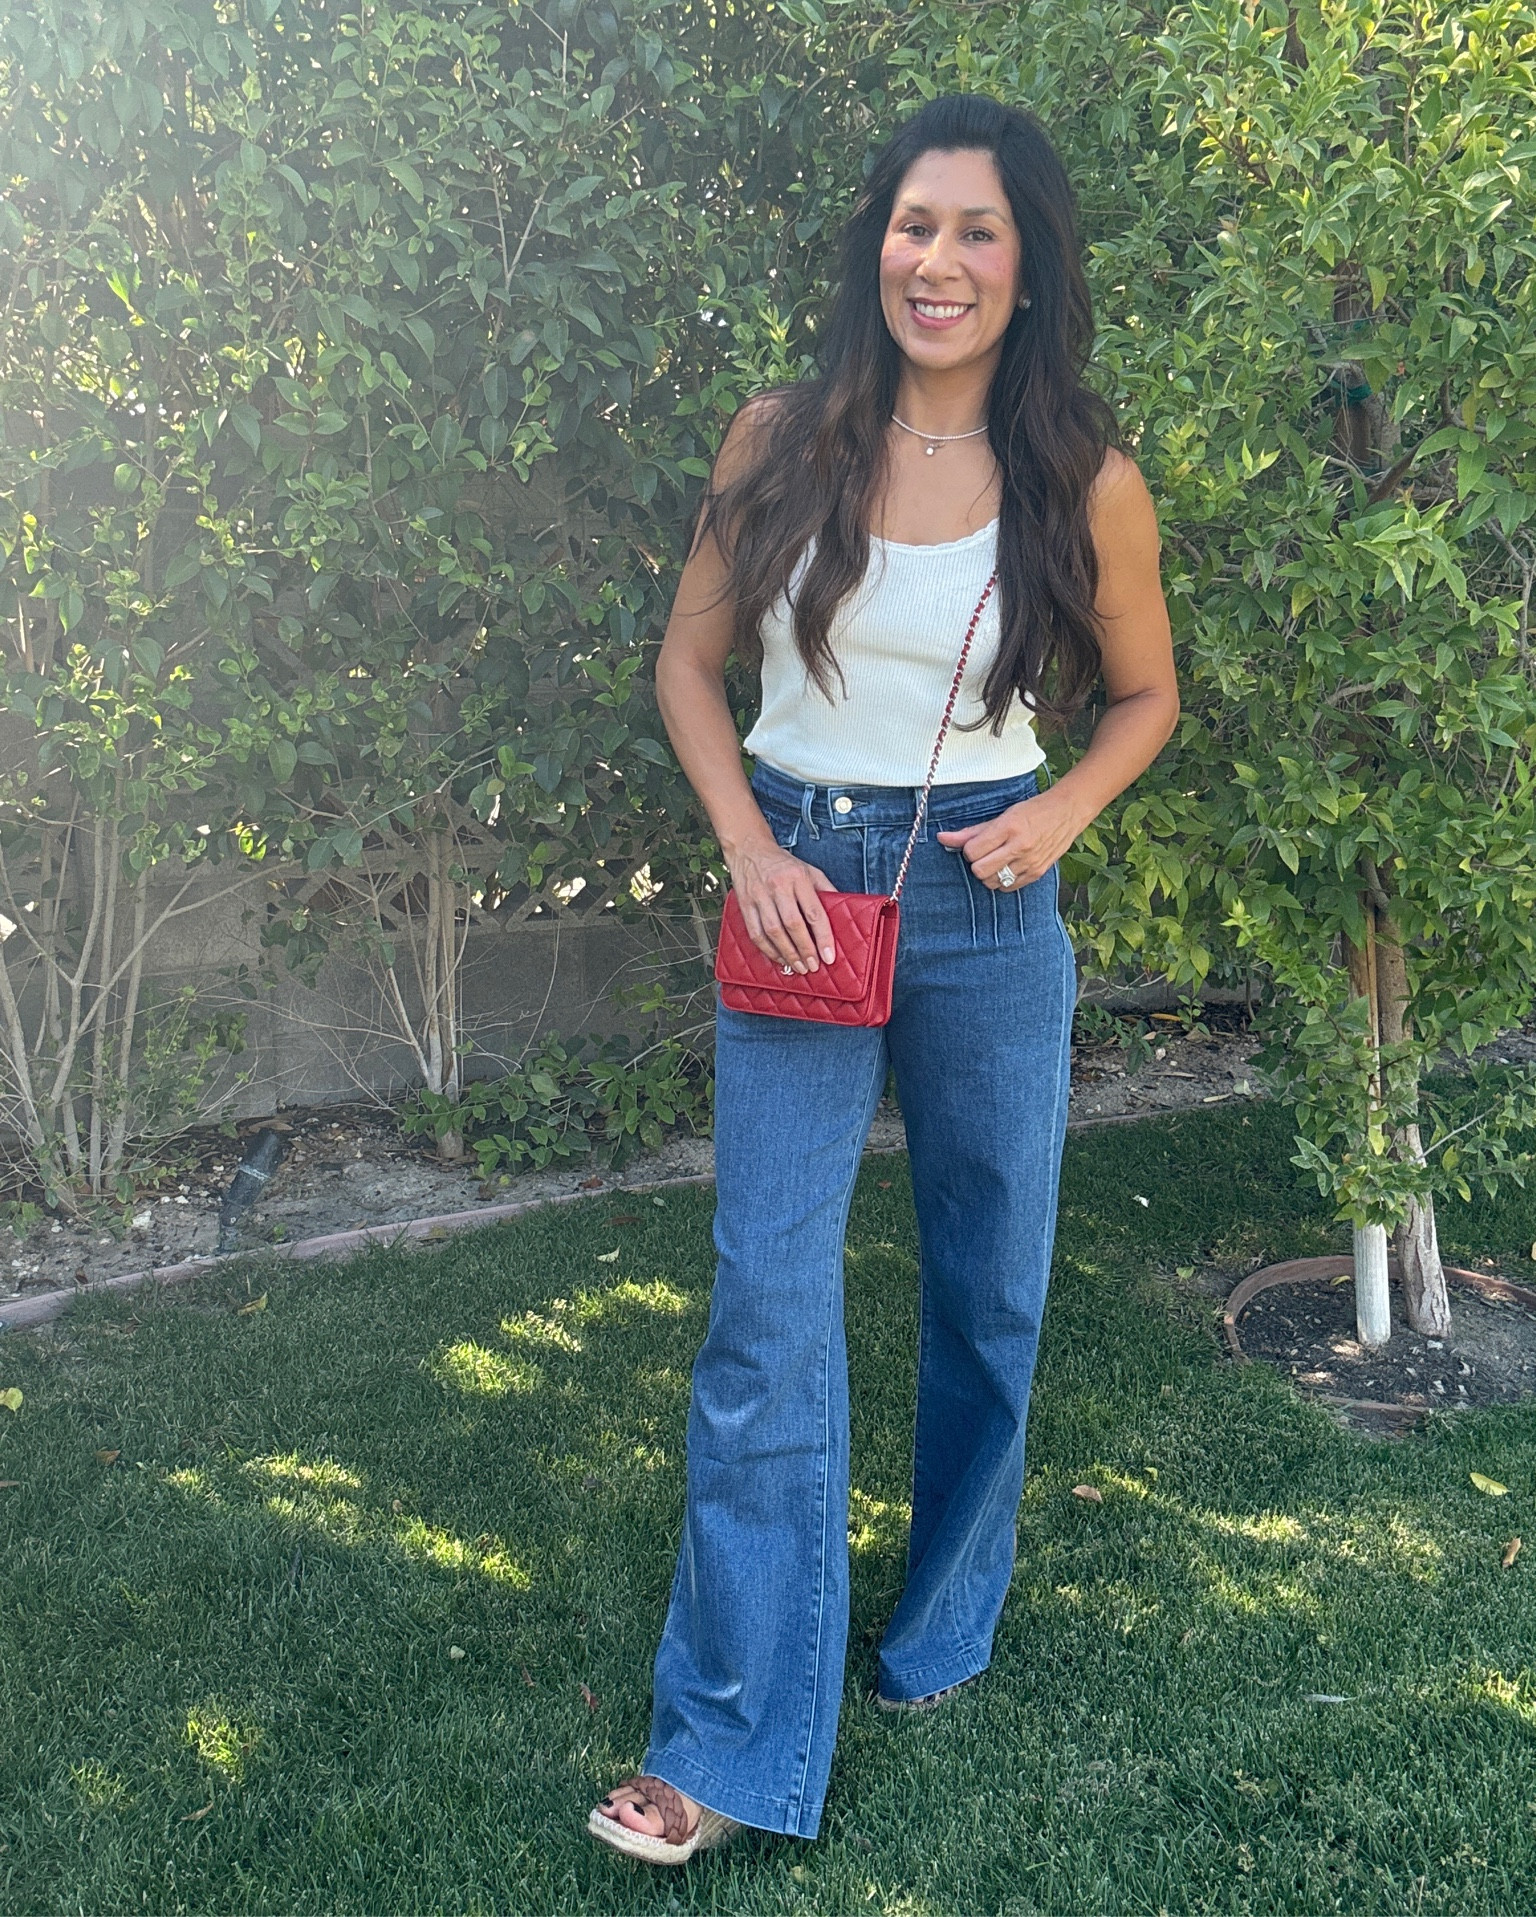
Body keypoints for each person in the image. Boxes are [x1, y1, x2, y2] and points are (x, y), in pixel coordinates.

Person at [589, 91, 1177, 1866]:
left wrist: (1061, 810)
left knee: (989, 1284)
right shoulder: (780, 439)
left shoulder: (1085, 475)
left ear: (1027, 264)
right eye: (915, 224)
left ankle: (939, 1620)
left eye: (978, 230)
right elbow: (690, 671)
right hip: (798, 887)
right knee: (767, 1300)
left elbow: (1146, 696)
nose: (940, 259)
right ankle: (727, 1732)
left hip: (990, 897)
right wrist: (751, 849)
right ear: (877, 248)